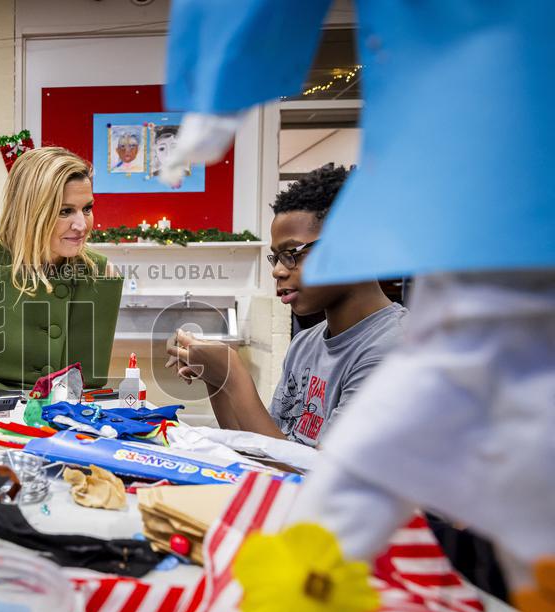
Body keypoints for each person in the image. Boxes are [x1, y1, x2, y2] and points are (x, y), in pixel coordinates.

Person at [167, 164, 406, 447]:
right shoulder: (304, 344)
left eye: (292, 253)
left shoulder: (394, 350)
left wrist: (236, 379)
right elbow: (261, 448)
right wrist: (218, 380)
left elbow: (322, 477)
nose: (278, 271)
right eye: (276, 257)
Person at [0, 147, 123, 391]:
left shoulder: (101, 273)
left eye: (87, 208)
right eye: (65, 211)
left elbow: (88, 382)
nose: (82, 224)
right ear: (31, 211)